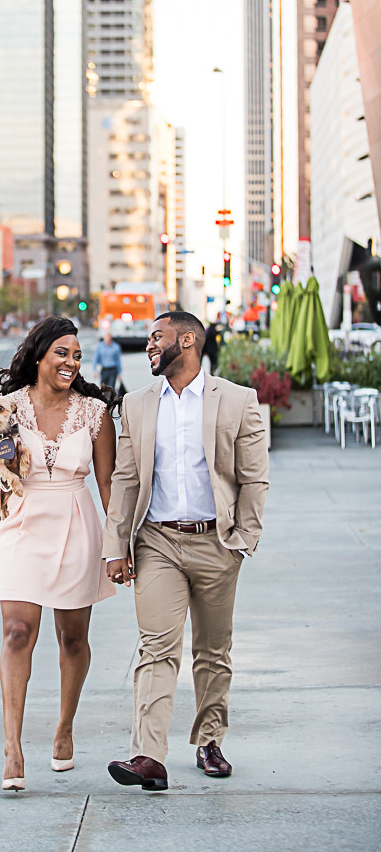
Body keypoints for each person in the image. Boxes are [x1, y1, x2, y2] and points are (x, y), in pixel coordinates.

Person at [103, 310, 269, 791]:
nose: (150, 345)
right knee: (156, 647)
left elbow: (253, 476)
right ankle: (148, 755)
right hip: (157, 541)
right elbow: (127, 479)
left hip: (217, 542)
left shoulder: (237, 401)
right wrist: (117, 545)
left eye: (158, 337)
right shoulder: (137, 404)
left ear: (189, 340)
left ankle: (210, 739)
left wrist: (244, 539)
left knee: (213, 650)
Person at [0, 316, 117, 792]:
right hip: (22, 525)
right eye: (62, 353)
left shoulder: (93, 413)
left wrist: (118, 546)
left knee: (72, 639)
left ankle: (65, 727)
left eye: (77, 354)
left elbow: (107, 483)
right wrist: (5, 476)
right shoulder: (5, 407)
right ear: (39, 356)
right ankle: (12, 747)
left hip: (77, 522)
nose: (72, 362)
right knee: (17, 632)